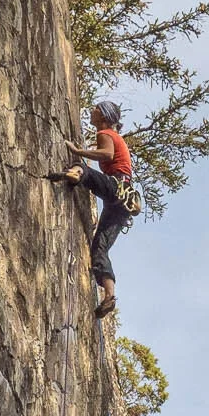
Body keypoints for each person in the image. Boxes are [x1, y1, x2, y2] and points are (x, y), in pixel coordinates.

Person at [56, 101, 136, 318]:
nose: (92, 111)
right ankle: (109, 296)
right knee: (100, 249)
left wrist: (78, 151)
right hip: (124, 201)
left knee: (82, 167)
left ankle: (75, 174)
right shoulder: (113, 135)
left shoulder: (106, 133)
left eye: (96, 109)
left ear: (104, 116)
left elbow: (107, 155)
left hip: (117, 187)